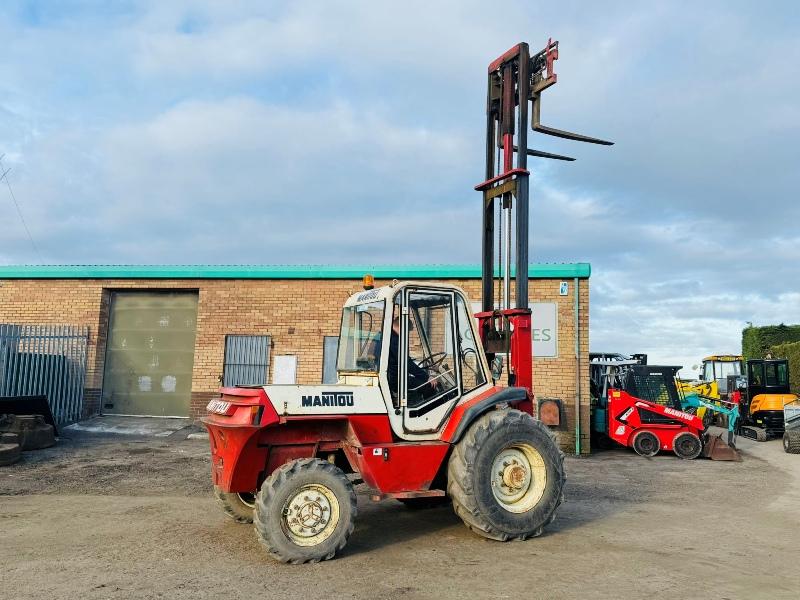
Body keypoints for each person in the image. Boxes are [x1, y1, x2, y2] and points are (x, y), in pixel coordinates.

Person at [387, 316, 440, 403]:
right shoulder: (394, 340)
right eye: (407, 331)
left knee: (422, 381)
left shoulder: (385, 336)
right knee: (430, 386)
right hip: (396, 380)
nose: (407, 334)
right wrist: (427, 377)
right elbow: (406, 363)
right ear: (402, 327)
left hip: (393, 377)